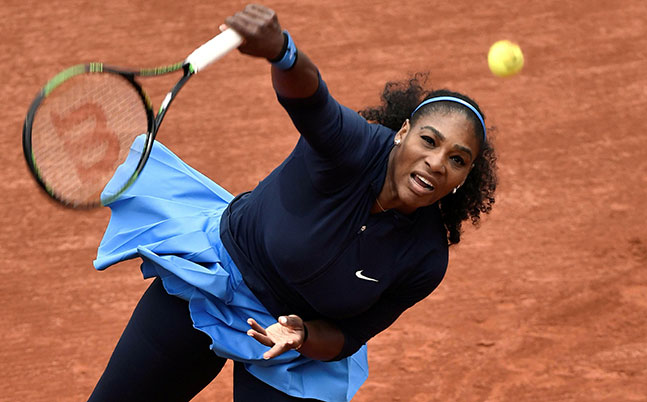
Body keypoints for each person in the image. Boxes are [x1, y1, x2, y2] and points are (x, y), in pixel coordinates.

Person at [87, 3, 498, 402]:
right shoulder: (350, 147)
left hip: (293, 349)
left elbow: (350, 336)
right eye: (429, 140)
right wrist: (283, 53)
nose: (437, 163)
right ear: (402, 131)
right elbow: (311, 100)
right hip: (216, 279)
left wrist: (303, 335)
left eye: (457, 160)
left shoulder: (425, 257)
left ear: (466, 177)